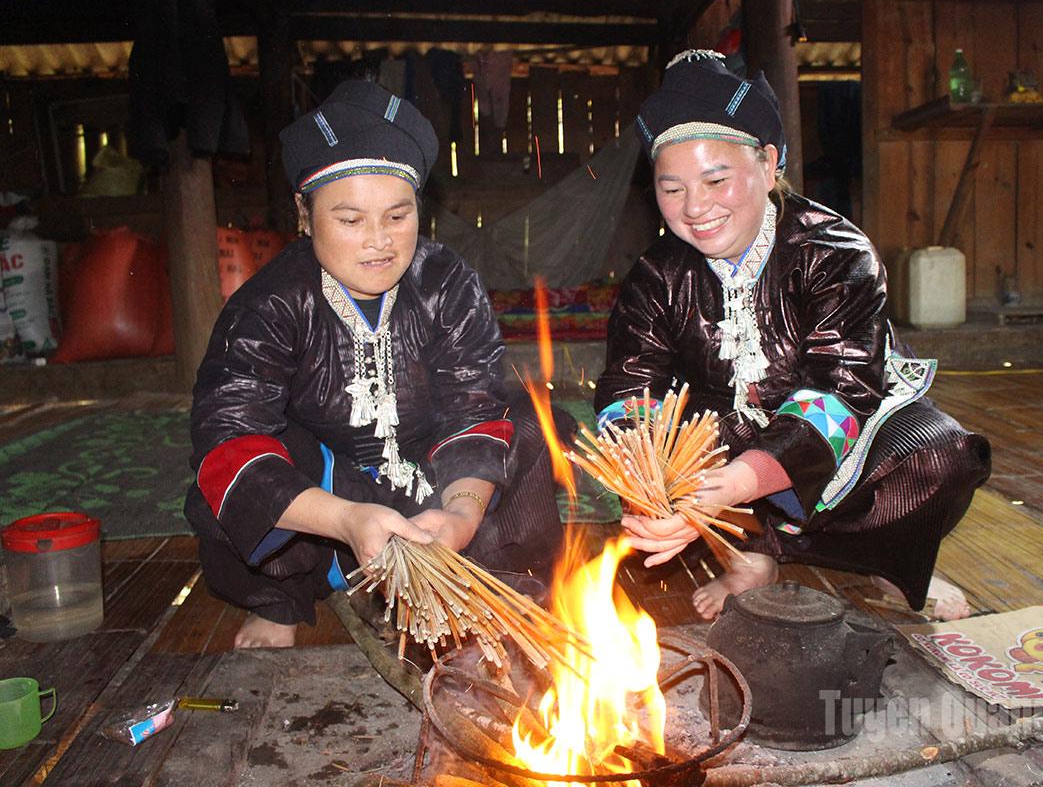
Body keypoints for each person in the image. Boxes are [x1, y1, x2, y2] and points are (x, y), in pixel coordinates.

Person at [595, 51, 991, 622]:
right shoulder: (656, 275)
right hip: (722, 437)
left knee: (939, 457)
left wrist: (734, 483)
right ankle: (749, 551)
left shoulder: (835, 252)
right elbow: (628, 386)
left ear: (768, 161)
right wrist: (656, 485)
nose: (696, 207)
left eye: (715, 179)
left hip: (842, 426)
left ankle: (887, 555)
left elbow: (842, 385)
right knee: (655, 441)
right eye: (672, 188)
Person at [185, 80, 563, 648]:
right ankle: (281, 600)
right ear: (305, 215)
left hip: (431, 481)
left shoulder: (446, 282)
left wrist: (460, 517)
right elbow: (229, 434)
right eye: (350, 219)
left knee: (528, 422)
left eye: (397, 215)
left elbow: (472, 405)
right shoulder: (269, 303)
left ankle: (484, 582)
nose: (378, 242)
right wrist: (345, 520)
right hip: (325, 506)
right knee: (229, 472)